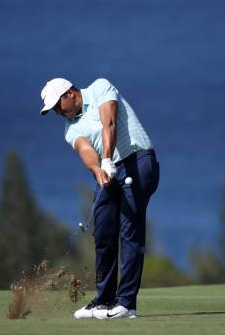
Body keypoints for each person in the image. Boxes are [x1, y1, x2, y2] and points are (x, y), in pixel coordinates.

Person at [40, 77, 160, 319]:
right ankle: (104, 300)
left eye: (57, 106)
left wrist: (106, 158)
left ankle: (126, 304)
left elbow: (110, 122)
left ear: (69, 93)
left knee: (130, 234)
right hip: (107, 172)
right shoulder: (70, 128)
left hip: (138, 161)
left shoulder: (99, 88)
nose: (56, 112)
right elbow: (85, 150)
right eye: (52, 110)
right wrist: (97, 169)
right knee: (103, 233)